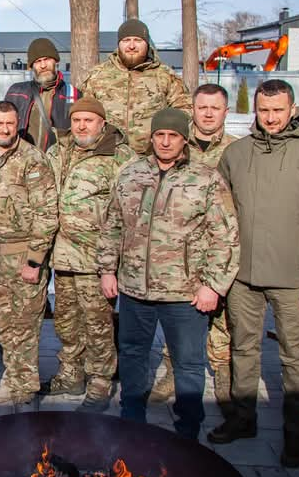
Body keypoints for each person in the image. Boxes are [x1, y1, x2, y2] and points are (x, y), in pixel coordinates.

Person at [209, 79, 299, 469]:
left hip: (292, 275)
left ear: (292, 108)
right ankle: (243, 420)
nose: (271, 118)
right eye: (264, 110)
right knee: (244, 349)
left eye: (278, 110)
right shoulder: (237, 154)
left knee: (295, 358)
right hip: (243, 274)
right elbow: (220, 214)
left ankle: (295, 434)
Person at [98, 109, 240, 440]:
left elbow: (226, 235)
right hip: (135, 289)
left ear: (184, 140)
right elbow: (112, 225)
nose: (164, 142)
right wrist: (107, 270)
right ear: (151, 138)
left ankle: (187, 429)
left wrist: (213, 286)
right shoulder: (130, 174)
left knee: (189, 364)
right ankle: (132, 422)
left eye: (172, 136)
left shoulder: (205, 179)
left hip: (185, 292)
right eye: (159, 135)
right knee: (132, 355)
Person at [151, 83, 238, 408]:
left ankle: (226, 389)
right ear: (193, 110)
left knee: (221, 329)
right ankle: (173, 375)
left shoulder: (235, 151)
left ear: (225, 112)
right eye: (202, 107)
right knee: (177, 324)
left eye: (215, 108)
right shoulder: (179, 149)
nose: (208, 113)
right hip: (176, 259)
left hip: (216, 254)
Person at [44, 96, 133, 411]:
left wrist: (113, 262)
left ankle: (99, 383)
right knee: (66, 322)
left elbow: (127, 211)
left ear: (102, 123)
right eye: (77, 119)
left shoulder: (119, 158)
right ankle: (71, 375)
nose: (82, 125)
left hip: (96, 260)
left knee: (98, 325)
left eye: (89, 120)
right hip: (61, 257)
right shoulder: (57, 152)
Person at [0, 101, 58, 405]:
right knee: (4, 323)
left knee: (25, 326)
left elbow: (47, 214)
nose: (4, 129)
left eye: (9, 124)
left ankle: (24, 386)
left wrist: (35, 260)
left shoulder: (32, 160)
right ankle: (15, 377)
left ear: (17, 125)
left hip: (23, 255)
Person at [79, 18, 191, 155]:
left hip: (152, 158)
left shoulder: (165, 76)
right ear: (118, 44)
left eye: (138, 40)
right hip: (108, 156)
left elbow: (184, 111)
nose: (131, 46)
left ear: (147, 44)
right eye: (126, 40)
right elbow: (83, 113)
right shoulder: (98, 76)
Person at [5, 38, 79, 152]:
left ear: (56, 61)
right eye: (38, 61)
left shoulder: (73, 94)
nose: (43, 65)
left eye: (47, 59)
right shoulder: (16, 92)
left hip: (56, 161)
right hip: (23, 161)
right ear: (32, 66)